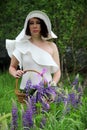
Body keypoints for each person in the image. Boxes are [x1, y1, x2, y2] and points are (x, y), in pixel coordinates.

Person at [6, 10, 61, 90]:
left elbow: (57, 72)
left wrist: (52, 85)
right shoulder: (21, 45)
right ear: (28, 26)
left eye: (38, 23)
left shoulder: (52, 46)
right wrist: (15, 73)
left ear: (43, 25)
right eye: (31, 23)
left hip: (46, 91)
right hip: (27, 92)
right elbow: (12, 67)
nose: (35, 26)